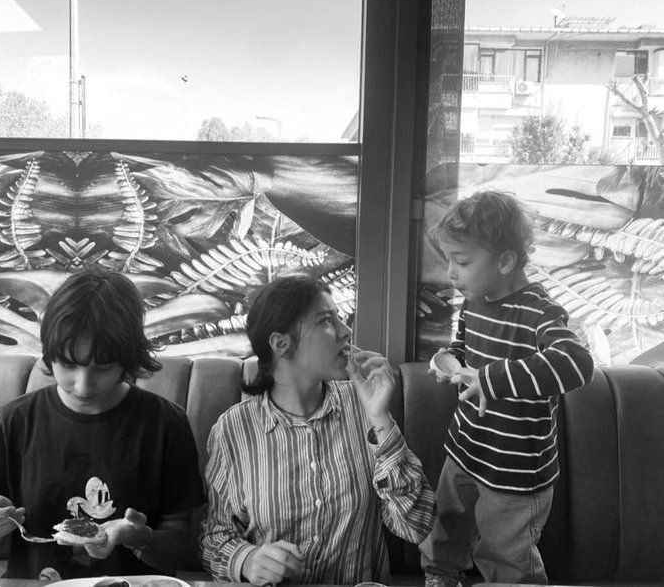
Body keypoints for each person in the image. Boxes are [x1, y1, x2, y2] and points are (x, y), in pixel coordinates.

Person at [0, 267, 204, 580]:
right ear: (49, 355)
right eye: (68, 364)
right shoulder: (16, 419)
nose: (83, 385)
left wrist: (138, 537)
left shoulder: (166, 423)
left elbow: (181, 548)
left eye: (102, 368)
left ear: (128, 359)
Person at [199, 275, 436, 585]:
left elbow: (417, 525)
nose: (345, 330)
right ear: (281, 344)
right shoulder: (233, 430)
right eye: (326, 320)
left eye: (339, 317)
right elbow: (214, 538)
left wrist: (380, 418)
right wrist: (246, 559)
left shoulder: (363, 407)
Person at [420, 190, 594, 587]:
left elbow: (576, 363)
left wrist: (488, 379)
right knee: (446, 525)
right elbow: (465, 348)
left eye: (462, 261)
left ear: (505, 261)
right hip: (465, 448)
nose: (451, 273)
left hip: (515, 470)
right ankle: (441, 576)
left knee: (506, 555)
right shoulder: (474, 301)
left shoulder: (537, 311)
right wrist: (449, 359)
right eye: (449, 260)